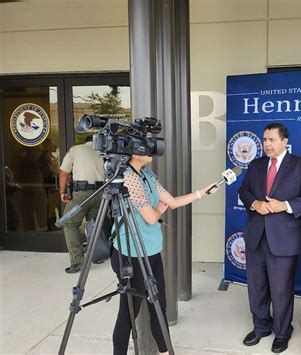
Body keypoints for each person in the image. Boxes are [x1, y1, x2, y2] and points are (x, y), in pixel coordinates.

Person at [111, 154, 219, 355]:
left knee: (159, 308)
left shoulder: (146, 173)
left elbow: (172, 201)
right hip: (131, 256)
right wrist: (159, 209)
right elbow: (152, 218)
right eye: (147, 144)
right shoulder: (127, 177)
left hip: (151, 252)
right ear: (134, 152)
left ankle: (166, 352)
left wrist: (201, 193)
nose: (153, 149)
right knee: (128, 314)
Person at [238, 123, 301, 353]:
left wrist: (284, 205)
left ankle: (283, 332)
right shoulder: (255, 165)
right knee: (256, 288)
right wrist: (255, 203)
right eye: (264, 139)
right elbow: (243, 191)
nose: (267, 144)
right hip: (256, 236)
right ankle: (261, 327)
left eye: (272, 140)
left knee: (281, 290)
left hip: (283, 239)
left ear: (285, 142)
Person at [59, 135, 105, 273]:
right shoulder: (103, 151)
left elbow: (63, 173)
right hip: (100, 193)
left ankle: (78, 260)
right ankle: (97, 255)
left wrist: (62, 192)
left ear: (85, 141)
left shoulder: (75, 150)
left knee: (69, 223)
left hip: (81, 194)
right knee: (94, 224)